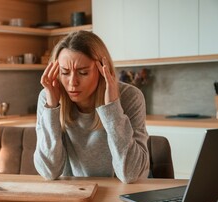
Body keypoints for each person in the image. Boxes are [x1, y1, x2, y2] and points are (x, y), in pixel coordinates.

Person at [33, 30, 149, 183]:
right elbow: (48, 171)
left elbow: (131, 174)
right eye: (65, 72)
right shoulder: (48, 96)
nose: (72, 82)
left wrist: (112, 108)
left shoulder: (130, 96)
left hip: (124, 193)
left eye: (83, 72)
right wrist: (52, 108)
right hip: (76, 193)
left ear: (102, 70)